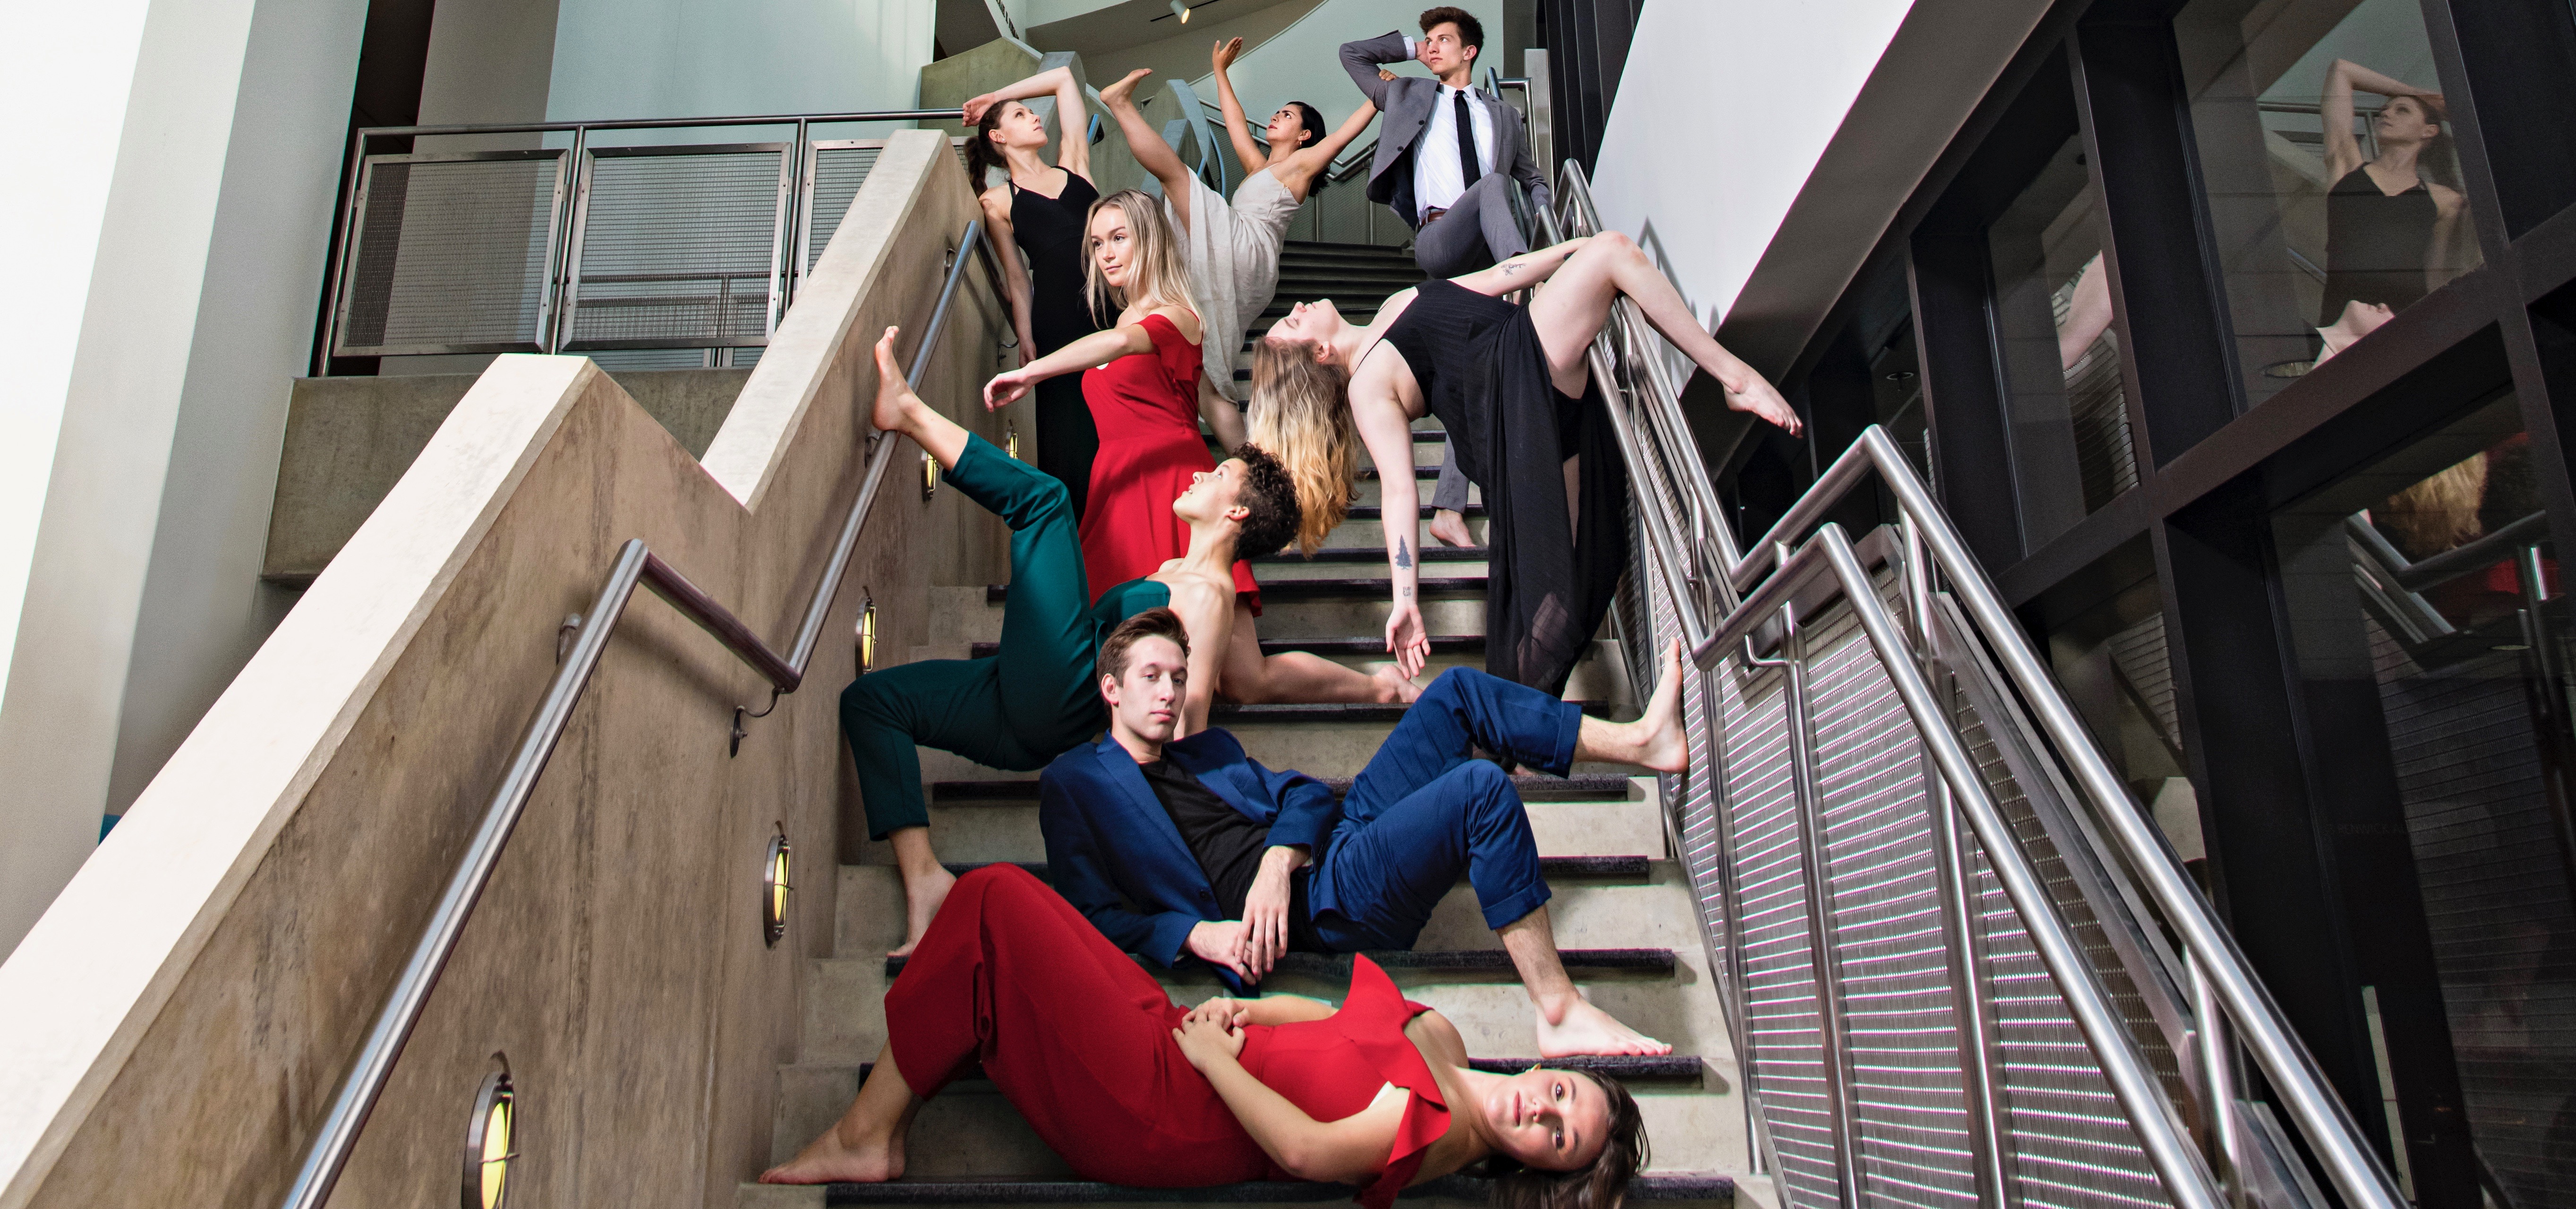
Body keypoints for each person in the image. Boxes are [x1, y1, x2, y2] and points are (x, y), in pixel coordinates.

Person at [759, 866, 1649, 1208]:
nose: (1544, 1114)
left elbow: (1302, 1151)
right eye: (1563, 1096)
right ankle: (882, 1118)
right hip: (1185, 1041)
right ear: (1550, 1066)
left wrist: (1217, 1064)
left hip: (1171, 1107)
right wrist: (1249, 1014)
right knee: (1004, 917)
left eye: (1560, 1142)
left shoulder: (1436, 1133)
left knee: (991, 899)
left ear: (1541, 1169)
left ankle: (868, 1134)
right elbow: (1337, 1020)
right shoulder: (1445, 1041)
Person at [1041, 610, 1694, 1057]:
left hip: (1327, 849)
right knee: (1480, 790)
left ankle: (1639, 741)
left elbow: (1301, 793)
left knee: (1457, 692)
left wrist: (1276, 860)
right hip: (1326, 900)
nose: (1168, 693)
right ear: (1111, 690)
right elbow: (1090, 916)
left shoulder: (1206, 751)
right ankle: (1556, 1009)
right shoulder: (1079, 784)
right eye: (1150, 678)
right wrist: (1195, 933)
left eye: (1178, 678)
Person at [843, 324, 1300, 957]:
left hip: (1063, 694)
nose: (1199, 473)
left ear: (1236, 513)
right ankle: (925, 880)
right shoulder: (1173, 574)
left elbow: (1184, 721)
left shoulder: (1207, 596)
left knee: (1044, 502)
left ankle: (909, 412)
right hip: (1027, 705)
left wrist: (1162, 845)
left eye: (1216, 471)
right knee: (872, 703)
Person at [1254, 233, 1802, 695]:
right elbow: (1400, 491)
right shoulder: (1368, 384)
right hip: (1512, 384)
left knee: (1571, 581)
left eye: (1290, 314)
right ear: (1321, 356)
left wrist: (1567, 248)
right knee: (1614, 253)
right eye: (1294, 325)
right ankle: (1736, 379)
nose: (1299, 308)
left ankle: (1517, 718)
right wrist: (1405, 600)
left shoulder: (1392, 307)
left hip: (1526, 395)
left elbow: (1498, 276)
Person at [987, 189, 1416, 706]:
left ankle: (1379, 687)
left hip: (1171, 483)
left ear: (1150, 241)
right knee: (1119, 659)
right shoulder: (1128, 323)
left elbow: (1125, 346)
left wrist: (1034, 369)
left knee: (1243, 677)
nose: (1106, 253)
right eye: (1098, 242)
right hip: (1117, 489)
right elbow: (1213, 401)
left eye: (1120, 238)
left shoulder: (1176, 316)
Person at [1095, 41, 1381, 420]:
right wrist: (1220, 71)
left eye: (1288, 116)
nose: (1277, 117)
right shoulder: (1257, 167)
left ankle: (1121, 105)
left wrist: (1377, 98)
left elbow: (1343, 136)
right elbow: (1234, 120)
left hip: (1251, 250)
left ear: (1305, 136)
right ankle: (1213, 406)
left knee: (1178, 179)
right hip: (1239, 245)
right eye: (1278, 112)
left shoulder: (1301, 167)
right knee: (1194, 319)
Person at [963, 66, 1107, 520]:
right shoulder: (997, 201)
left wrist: (996, 93)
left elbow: (1065, 79)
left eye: (1031, 112)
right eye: (1021, 115)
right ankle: (1080, 552)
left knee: (1115, 425)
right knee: (1069, 440)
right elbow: (1018, 279)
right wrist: (1026, 338)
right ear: (999, 137)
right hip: (1056, 326)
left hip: (1110, 312)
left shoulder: (1075, 164)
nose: (1035, 118)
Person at [1339, 9, 1549, 280]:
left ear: (1468, 52)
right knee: (1494, 183)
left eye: (1444, 40)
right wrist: (1416, 50)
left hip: (1491, 242)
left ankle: (1520, 274)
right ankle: (1526, 276)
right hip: (1438, 236)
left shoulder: (1505, 114)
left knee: (1493, 320)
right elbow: (1352, 54)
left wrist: (1545, 227)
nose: (1433, 47)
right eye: (1429, 41)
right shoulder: (1406, 95)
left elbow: (1534, 180)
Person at [2312, 59, 2468, 351]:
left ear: (2429, 131)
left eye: (2402, 110)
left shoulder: (2445, 200)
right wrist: (2418, 94)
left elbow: (2436, 279)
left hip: (2404, 329)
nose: (2386, 114)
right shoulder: (2347, 168)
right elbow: (2341, 71)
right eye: (2385, 109)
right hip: (2339, 330)